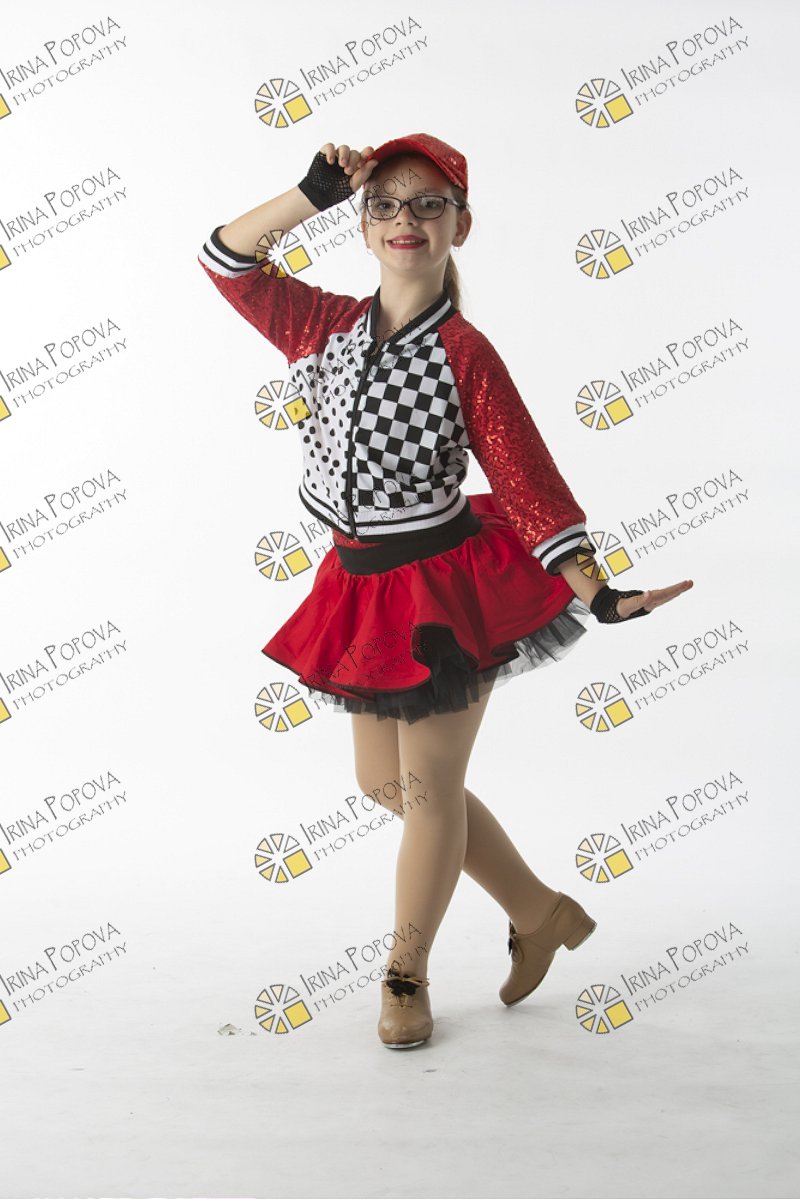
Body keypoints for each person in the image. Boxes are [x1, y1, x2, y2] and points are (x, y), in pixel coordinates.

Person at [197, 134, 694, 1050]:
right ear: (362, 226)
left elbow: (526, 481)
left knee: (429, 792)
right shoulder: (321, 324)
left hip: (445, 592)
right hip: (358, 585)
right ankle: (540, 911)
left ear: (461, 225)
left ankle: (406, 974)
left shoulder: (465, 352)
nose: (406, 220)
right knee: (384, 781)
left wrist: (598, 593)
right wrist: (310, 192)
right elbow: (225, 259)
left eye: (430, 204)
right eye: (385, 203)